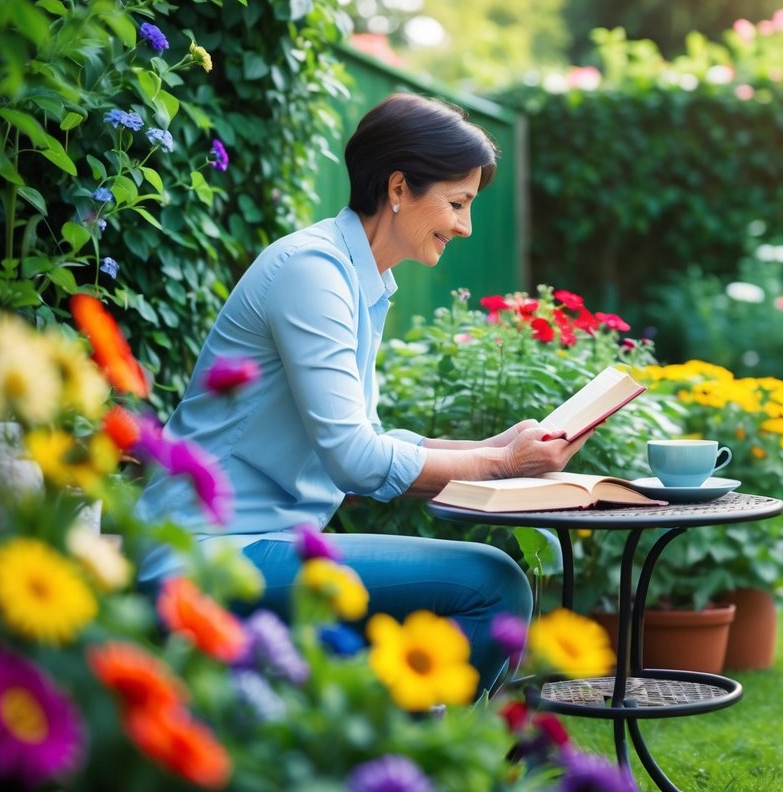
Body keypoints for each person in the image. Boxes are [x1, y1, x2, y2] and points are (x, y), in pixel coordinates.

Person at [135, 92, 589, 691]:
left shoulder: (357, 279)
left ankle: (388, 751)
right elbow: (355, 460)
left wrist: (493, 447)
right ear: (399, 189)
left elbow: (365, 441)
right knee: (492, 584)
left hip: (261, 543)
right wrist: (502, 464)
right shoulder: (314, 274)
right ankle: (413, 762)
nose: (466, 225)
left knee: (486, 581)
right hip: (205, 553)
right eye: (457, 203)